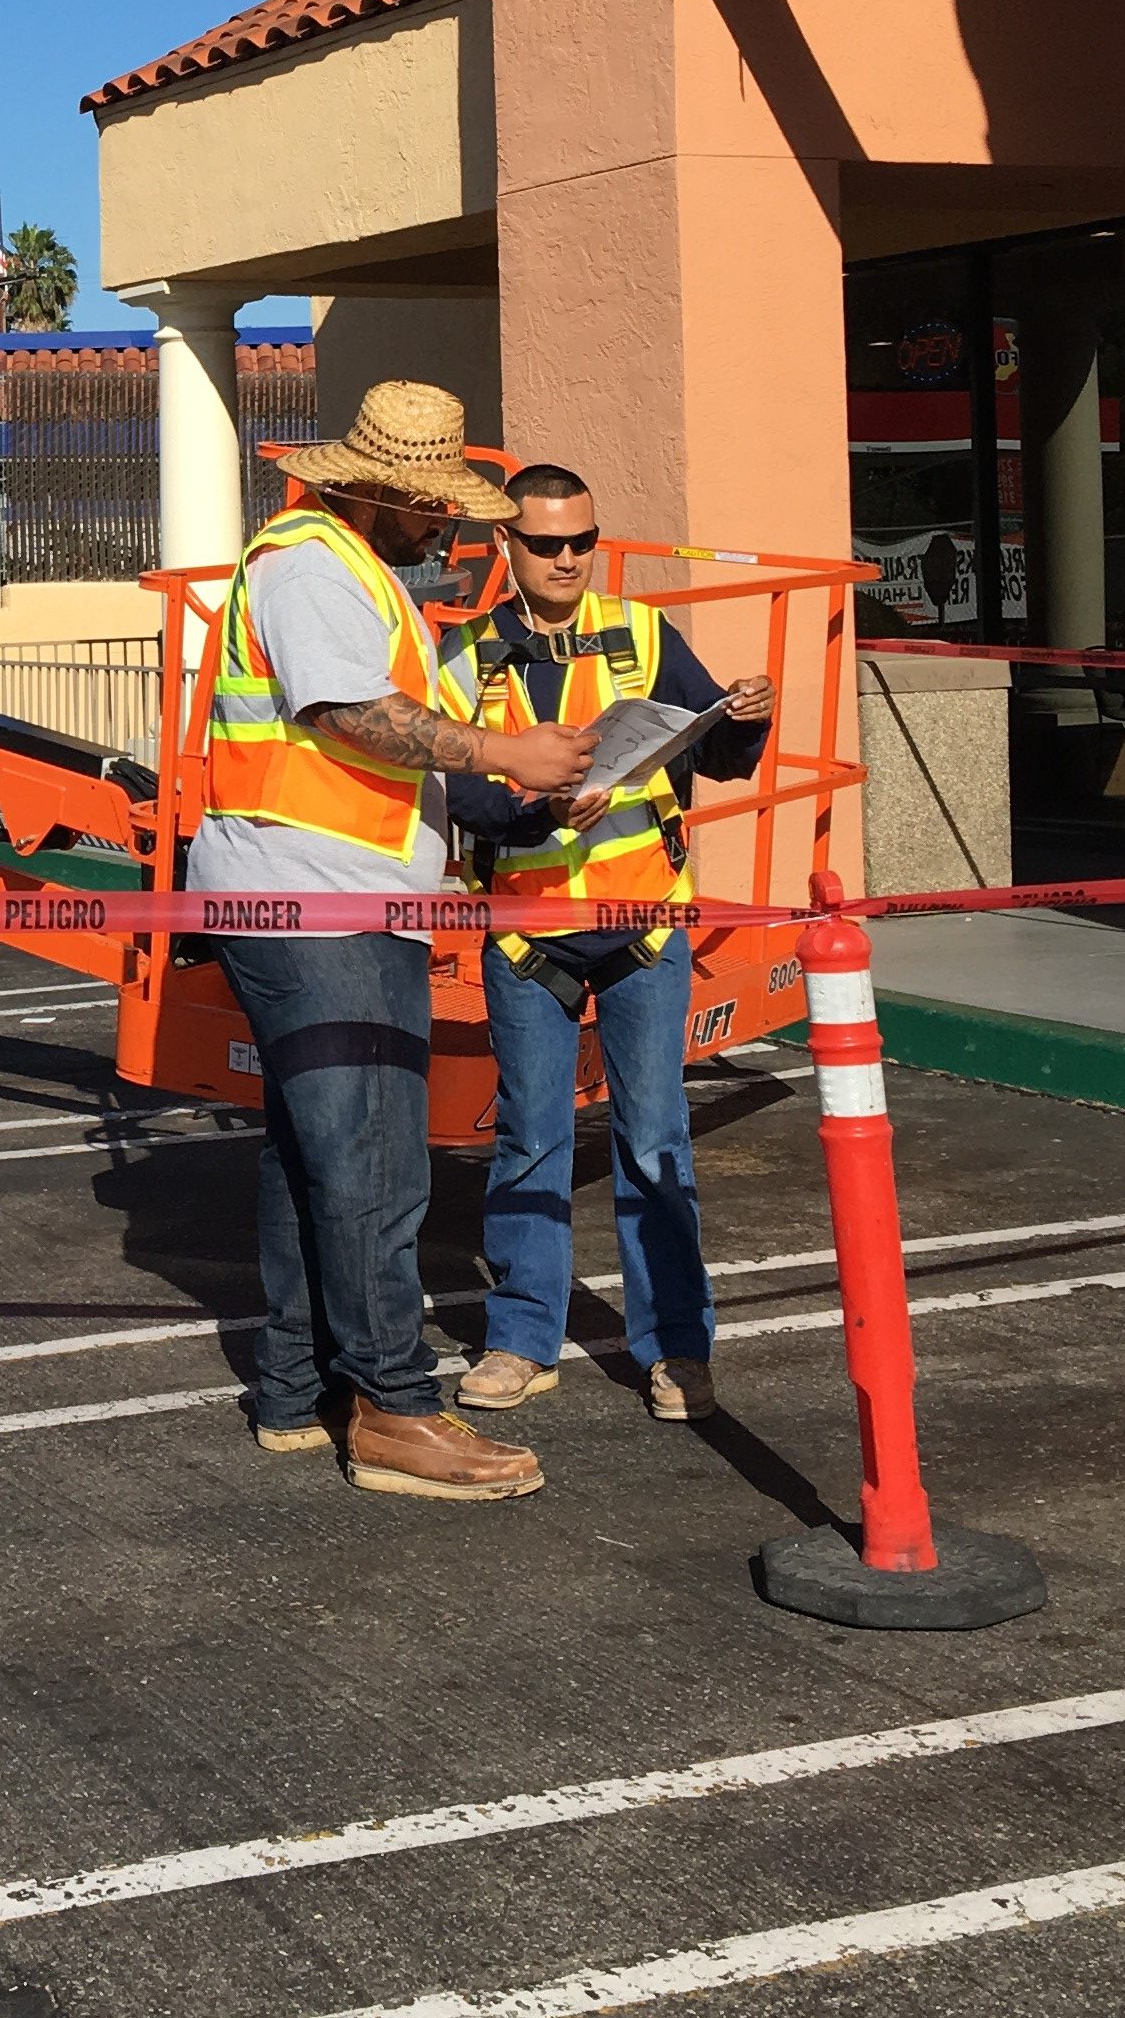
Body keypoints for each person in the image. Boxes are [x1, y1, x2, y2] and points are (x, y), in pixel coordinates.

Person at [194, 381, 596, 1503]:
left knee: (315, 1150)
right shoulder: (315, 564)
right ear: (374, 490)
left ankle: (296, 1388)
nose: (445, 530)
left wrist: (501, 785)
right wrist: (505, 756)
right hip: (320, 900)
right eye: (431, 510)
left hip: (320, 893)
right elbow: (342, 715)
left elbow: (377, 743)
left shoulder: (345, 566)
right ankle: (394, 1409)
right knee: (369, 1155)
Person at [440, 465, 774, 1424]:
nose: (569, 559)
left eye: (583, 540)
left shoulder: (642, 632)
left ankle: (675, 1348)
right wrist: (531, 805)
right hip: (526, 939)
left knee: (655, 1140)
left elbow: (708, 749)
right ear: (508, 548)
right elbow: (453, 793)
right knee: (531, 1140)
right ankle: (520, 1339)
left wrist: (742, 724)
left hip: (644, 929)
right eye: (547, 544)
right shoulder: (470, 658)